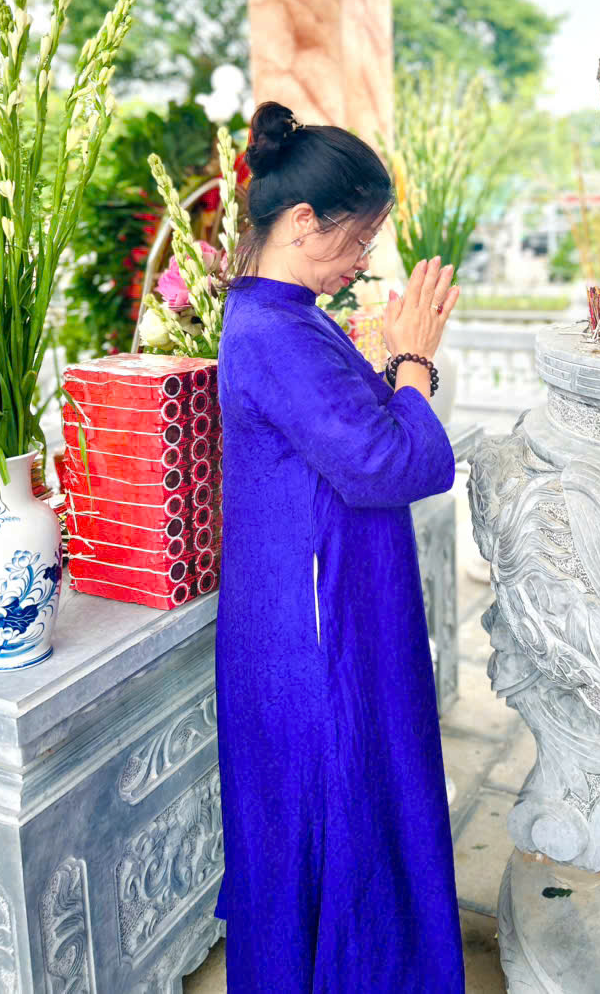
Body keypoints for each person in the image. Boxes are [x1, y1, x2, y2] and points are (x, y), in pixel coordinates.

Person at [214, 101, 464, 992]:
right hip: (316, 641)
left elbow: (357, 438)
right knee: (344, 825)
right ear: (302, 220)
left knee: (348, 822)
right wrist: (413, 360)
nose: (363, 261)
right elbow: (385, 462)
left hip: (316, 613)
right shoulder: (275, 332)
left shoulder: (286, 315)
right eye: (357, 240)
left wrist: (397, 365)